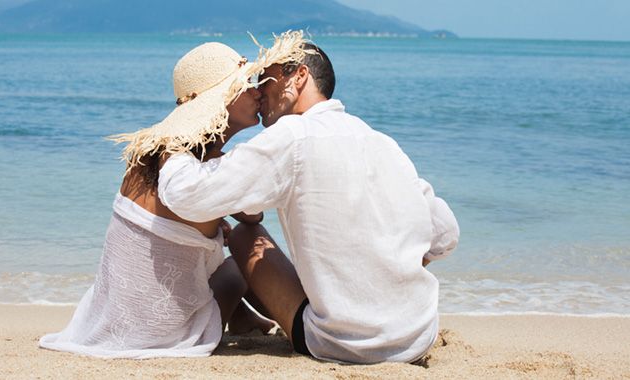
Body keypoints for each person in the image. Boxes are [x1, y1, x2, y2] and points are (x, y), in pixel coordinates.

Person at [157, 32, 460, 364]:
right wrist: (387, 274)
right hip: (418, 333)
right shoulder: (382, 142)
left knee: (246, 237)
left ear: (298, 76)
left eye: (266, 79)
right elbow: (445, 232)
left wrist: (173, 145)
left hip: (343, 344)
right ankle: (246, 315)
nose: (259, 91)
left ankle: (246, 313)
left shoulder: (290, 137)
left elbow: (184, 195)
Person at [38, 39, 308, 358]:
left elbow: (169, 219)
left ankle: (245, 318)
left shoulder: (149, 156)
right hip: (167, 333)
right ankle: (300, 323)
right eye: (245, 85)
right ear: (220, 100)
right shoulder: (210, 169)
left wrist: (214, 220)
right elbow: (254, 217)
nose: (257, 91)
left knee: (210, 249)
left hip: (113, 320)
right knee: (241, 256)